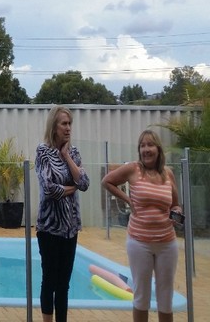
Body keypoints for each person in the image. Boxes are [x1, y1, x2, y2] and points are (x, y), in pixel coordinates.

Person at [102, 130, 182, 322]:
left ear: (158, 149)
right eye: (142, 145)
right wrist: (128, 199)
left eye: (150, 145)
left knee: (165, 298)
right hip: (140, 244)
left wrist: (177, 212)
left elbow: (175, 204)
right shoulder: (133, 169)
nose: (146, 149)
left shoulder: (168, 173)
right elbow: (107, 181)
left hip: (167, 244)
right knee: (141, 297)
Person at [35, 105, 90, 322]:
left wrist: (66, 156)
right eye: (63, 124)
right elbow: (49, 189)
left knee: (64, 283)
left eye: (70, 124)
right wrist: (72, 187)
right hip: (49, 227)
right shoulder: (43, 152)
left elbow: (84, 183)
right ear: (54, 126)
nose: (68, 128)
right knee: (49, 280)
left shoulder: (74, 152)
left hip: (70, 229)